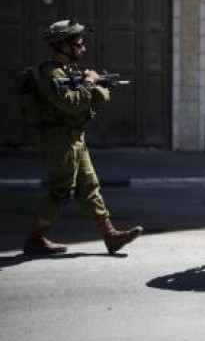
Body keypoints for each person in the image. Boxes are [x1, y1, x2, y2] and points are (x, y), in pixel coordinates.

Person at [21, 19, 143, 255]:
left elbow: (99, 97)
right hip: (58, 140)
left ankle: (110, 236)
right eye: (78, 43)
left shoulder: (69, 72)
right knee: (62, 190)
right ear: (63, 46)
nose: (83, 48)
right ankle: (35, 238)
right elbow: (70, 103)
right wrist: (89, 83)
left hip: (75, 137)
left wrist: (96, 85)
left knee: (89, 186)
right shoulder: (51, 74)